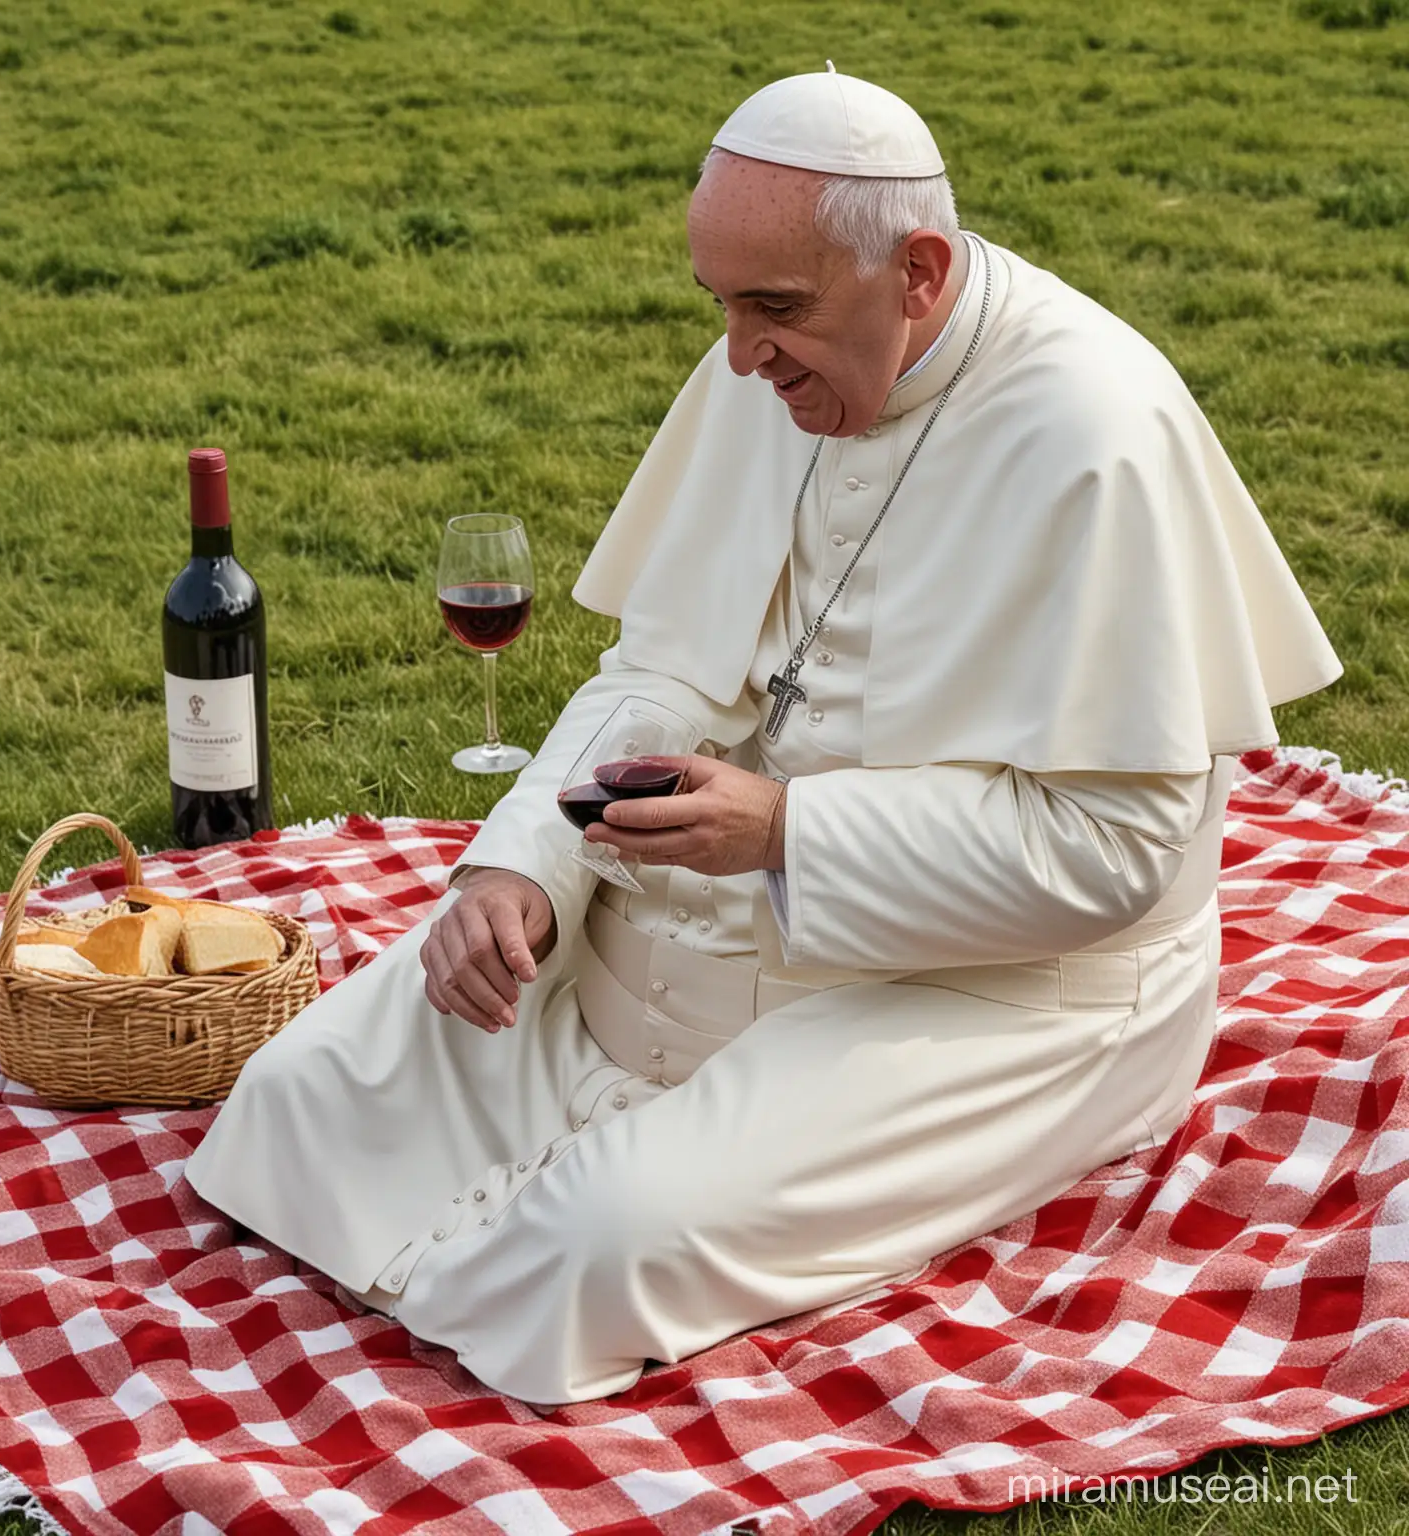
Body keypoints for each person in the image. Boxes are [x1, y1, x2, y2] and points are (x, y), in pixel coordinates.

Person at [182, 66, 1342, 1406]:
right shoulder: (775, 348)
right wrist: (520, 867)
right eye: (720, 308)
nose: (739, 360)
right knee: (299, 1102)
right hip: (700, 904)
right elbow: (665, 659)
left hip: (990, 989)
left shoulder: (1094, 434)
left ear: (915, 272)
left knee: (590, 1249)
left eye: (775, 312)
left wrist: (787, 832)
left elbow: (1117, 855)